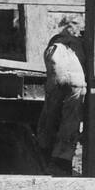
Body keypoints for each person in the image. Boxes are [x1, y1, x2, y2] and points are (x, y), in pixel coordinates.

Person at [36, 27, 86, 175]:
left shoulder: (58, 44)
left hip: (55, 70)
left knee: (50, 111)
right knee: (71, 118)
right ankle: (60, 161)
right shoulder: (81, 45)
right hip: (75, 79)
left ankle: (42, 149)